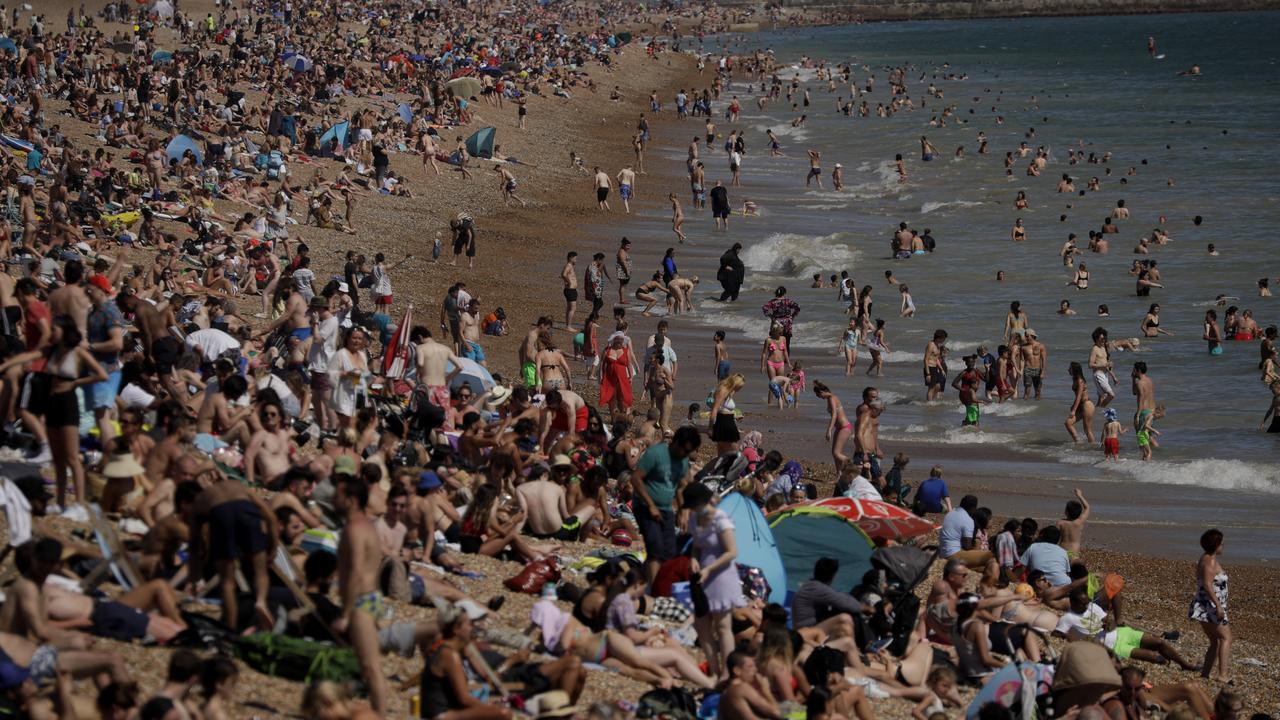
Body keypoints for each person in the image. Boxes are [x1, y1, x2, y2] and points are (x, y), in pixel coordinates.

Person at [333, 477, 388, 715]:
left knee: (371, 668)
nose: (333, 498)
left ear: (351, 500)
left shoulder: (354, 529)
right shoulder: (367, 525)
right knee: (358, 664)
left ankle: (381, 715)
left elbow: (355, 570)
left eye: (338, 495)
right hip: (372, 598)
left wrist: (345, 614)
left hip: (361, 603)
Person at [683, 483, 743, 682]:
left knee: (723, 626)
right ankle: (715, 670)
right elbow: (696, 546)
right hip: (701, 576)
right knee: (702, 626)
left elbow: (732, 551)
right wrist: (693, 558)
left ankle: (727, 672)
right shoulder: (694, 517)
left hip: (721, 576)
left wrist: (709, 568)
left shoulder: (720, 519)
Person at [632, 427, 701, 584]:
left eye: (689, 451)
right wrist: (651, 506)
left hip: (666, 509)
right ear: (676, 443)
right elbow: (635, 479)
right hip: (644, 505)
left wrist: (683, 510)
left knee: (670, 550)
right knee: (655, 546)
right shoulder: (656, 454)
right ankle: (654, 587)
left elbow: (681, 485)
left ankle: (659, 581)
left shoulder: (682, 461)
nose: (686, 454)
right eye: (685, 450)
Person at [420, 604, 512, 720]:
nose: (471, 627)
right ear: (456, 629)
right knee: (503, 713)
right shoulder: (450, 656)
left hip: (438, 711)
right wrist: (487, 708)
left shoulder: (441, 648)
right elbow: (463, 698)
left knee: (494, 709)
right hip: (440, 715)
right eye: (468, 624)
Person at [1189, 528, 1231, 683]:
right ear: (1216, 544)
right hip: (1210, 606)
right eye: (1221, 542)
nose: (1223, 545)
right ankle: (1223, 675)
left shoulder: (1205, 558)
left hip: (1205, 605)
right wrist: (1218, 606)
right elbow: (1207, 585)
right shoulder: (1210, 561)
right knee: (1226, 638)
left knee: (1214, 640)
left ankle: (1205, 674)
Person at [718, 650, 781, 720]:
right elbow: (777, 713)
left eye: (755, 666)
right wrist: (766, 690)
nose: (755, 670)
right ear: (737, 671)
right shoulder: (742, 688)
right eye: (750, 666)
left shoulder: (724, 693)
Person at [939, 495, 993, 570]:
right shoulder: (967, 520)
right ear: (973, 508)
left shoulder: (950, 513)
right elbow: (967, 547)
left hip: (942, 552)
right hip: (953, 554)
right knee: (990, 555)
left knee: (983, 564)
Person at [815, 381, 853, 473]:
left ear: (822, 392)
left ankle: (853, 466)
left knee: (837, 453)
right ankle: (839, 475)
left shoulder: (832, 398)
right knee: (834, 453)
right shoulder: (830, 399)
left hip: (845, 427)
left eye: (818, 395)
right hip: (839, 428)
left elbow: (834, 415)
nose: (819, 397)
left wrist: (829, 430)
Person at [709, 373, 745, 455]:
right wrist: (710, 428)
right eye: (739, 387)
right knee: (735, 454)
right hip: (724, 425)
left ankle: (717, 468)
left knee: (723, 455)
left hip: (727, 423)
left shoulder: (728, 391)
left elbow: (723, 409)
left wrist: (734, 417)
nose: (739, 389)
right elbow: (715, 409)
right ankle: (710, 468)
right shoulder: (723, 390)